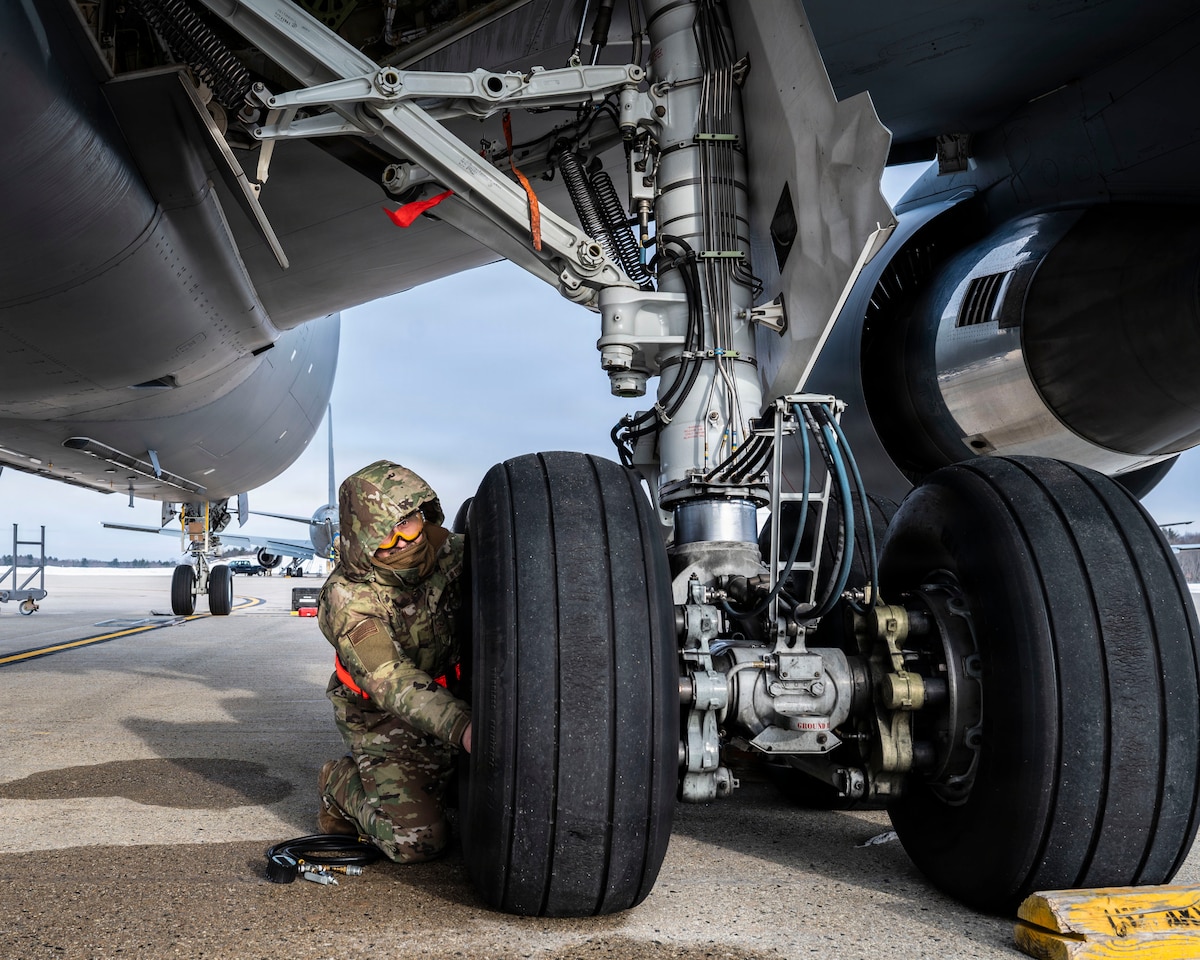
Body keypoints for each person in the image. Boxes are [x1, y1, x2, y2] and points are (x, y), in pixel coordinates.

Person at [315, 459, 472, 862]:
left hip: (449, 693)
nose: (400, 543)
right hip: (381, 718)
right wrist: (465, 727)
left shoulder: (450, 552)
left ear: (423, 515)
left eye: (407, 525)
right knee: (416, 841)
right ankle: (339, 781)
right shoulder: (347, 598)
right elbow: (389, 678)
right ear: (361, 541)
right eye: (383, 537)